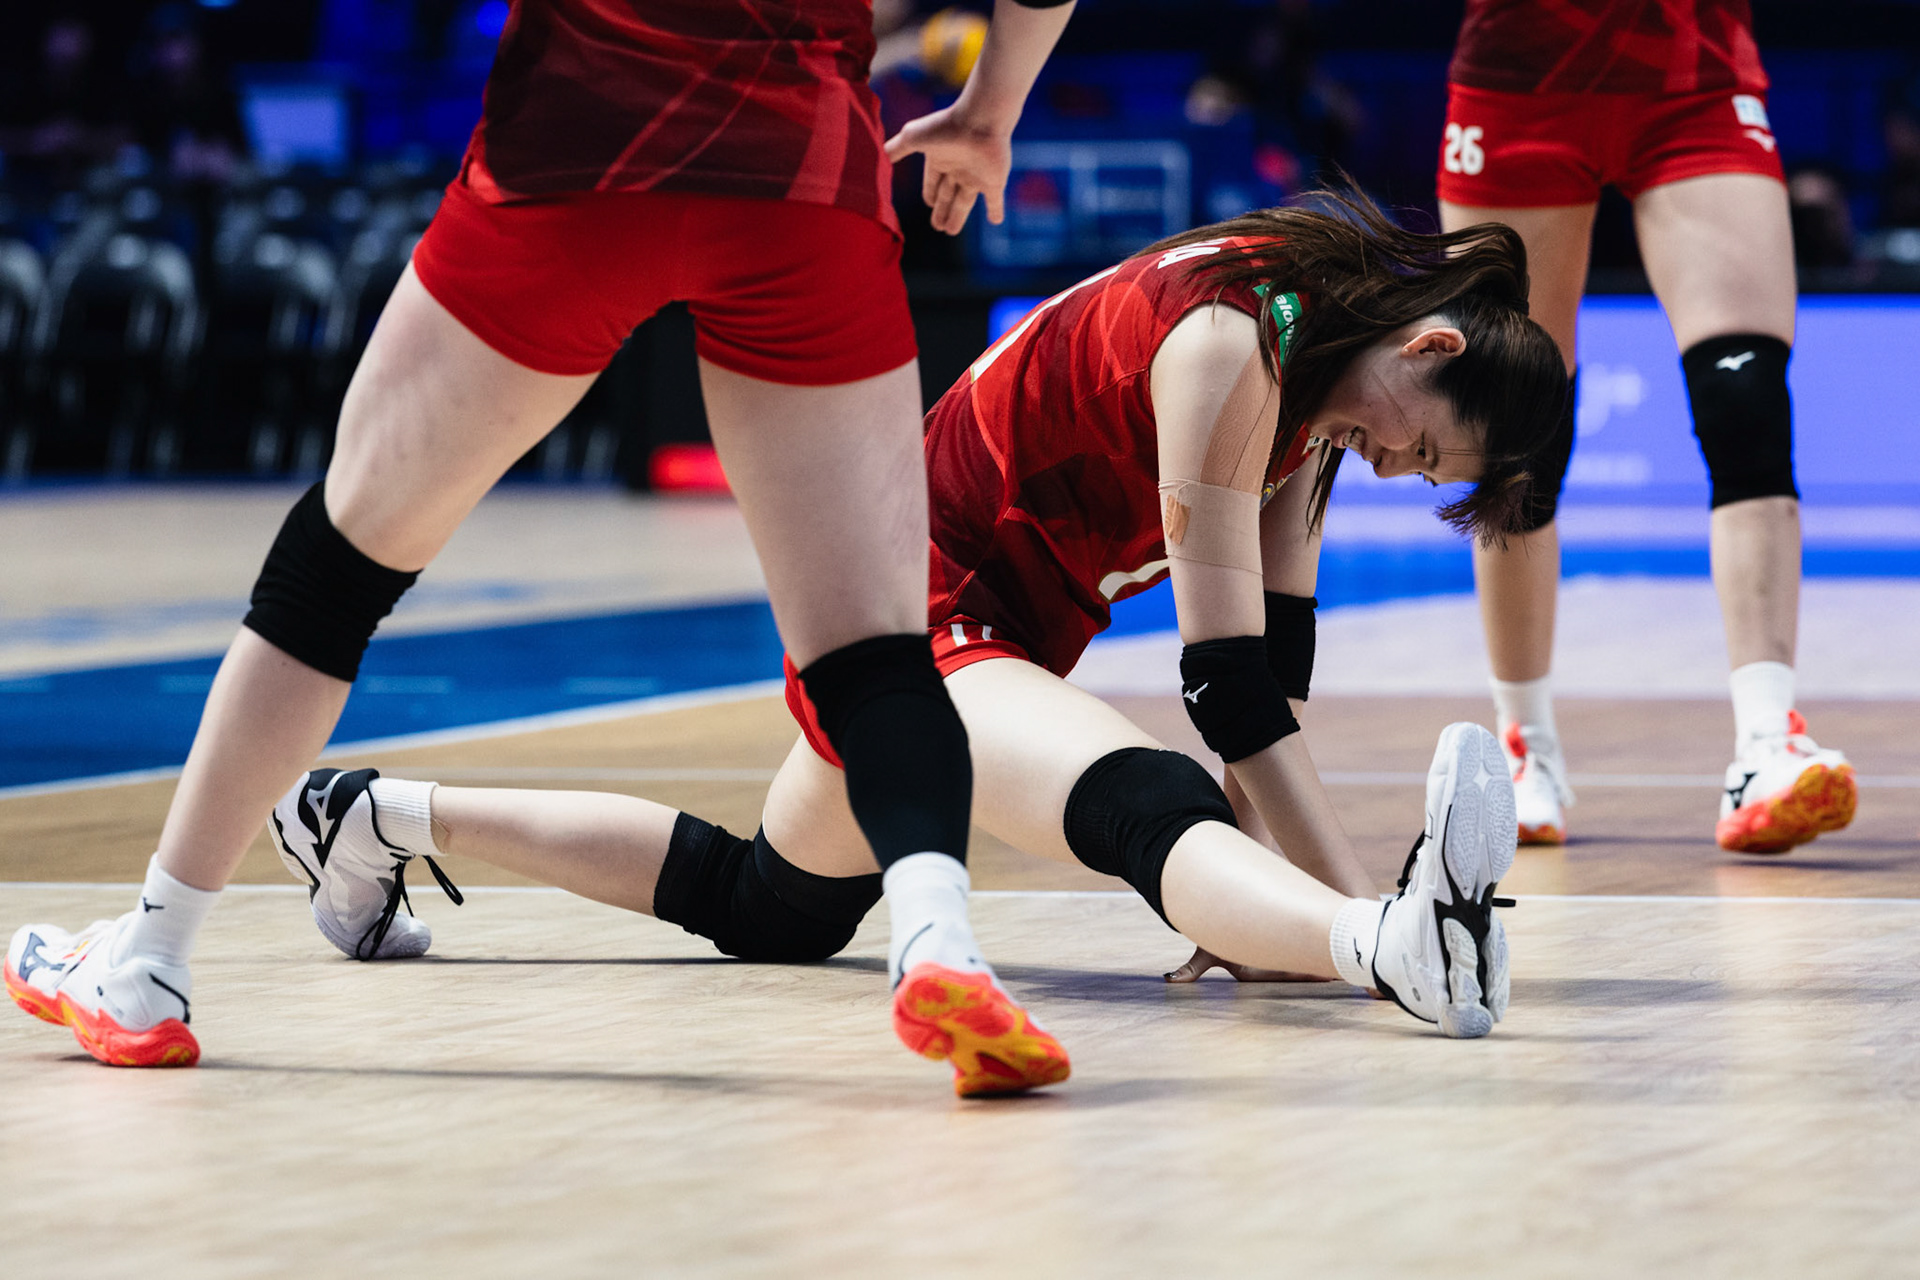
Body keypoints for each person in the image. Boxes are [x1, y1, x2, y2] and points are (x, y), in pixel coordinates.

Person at [45, 194, 1566, 1093]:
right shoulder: (1234, 346)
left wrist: (1275, 916)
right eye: (1428, 449)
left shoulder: (1310, 402)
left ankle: (370, 816)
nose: (1399, 469)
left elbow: (1269, 685)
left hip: (990, 622)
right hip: (907, 611)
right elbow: (1226, 697)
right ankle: (1399, 950)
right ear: (1430, 347)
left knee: (771, 904)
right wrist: (1338, 926)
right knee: (1135, 793)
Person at [2, 0, 1077, 1078]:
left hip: (574, 153)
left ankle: (147, 959)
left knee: (329, 577)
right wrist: (992, 107)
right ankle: (940, 941)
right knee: (871, 655)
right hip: (801, 176)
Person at [1436, 0, 1856, 853]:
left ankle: (1767, 743)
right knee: (1518, 431)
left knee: (1747, 407)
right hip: (1520, 78)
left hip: (1693, 74)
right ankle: (1528, 752)